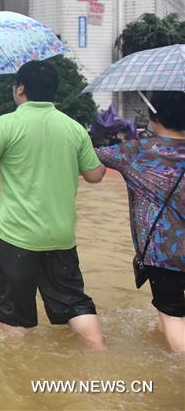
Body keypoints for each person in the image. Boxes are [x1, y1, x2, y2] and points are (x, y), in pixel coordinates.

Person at [0, 60, 106, 349]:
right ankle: (98, 351)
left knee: (16, 319)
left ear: (21, 90)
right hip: (61, 238)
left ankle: (21, 382)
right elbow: (95, 175)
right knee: (75, 305)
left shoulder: (8, 123)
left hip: (15, 239)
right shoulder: (74, 128)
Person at [95, 91, 185, 353]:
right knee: (171, 316)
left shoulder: (135, 153)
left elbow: (89, 158)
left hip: (163, 255)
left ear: (153, 116)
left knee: (172, 315)